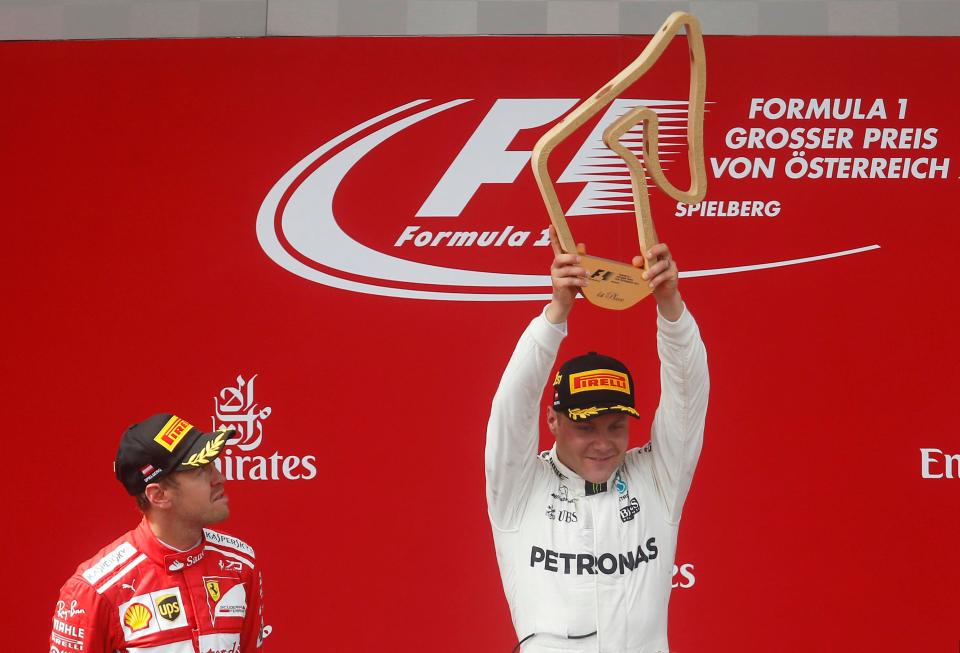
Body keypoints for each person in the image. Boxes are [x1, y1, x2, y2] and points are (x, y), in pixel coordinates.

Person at [486, 228, 709, 653]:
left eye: (615, 426)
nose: (603, 443)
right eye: (586, 427)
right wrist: (557, 310)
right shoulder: (518, 487)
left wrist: (669, 305)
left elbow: (687, 394)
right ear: (552, 420)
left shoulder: (657, 481)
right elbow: (511, 405)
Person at [49, 413, 269, 653]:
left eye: (213, 464)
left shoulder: (239, 563)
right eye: (201, 470)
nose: (219, 478)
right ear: (159, 495)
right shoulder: (95, 590)